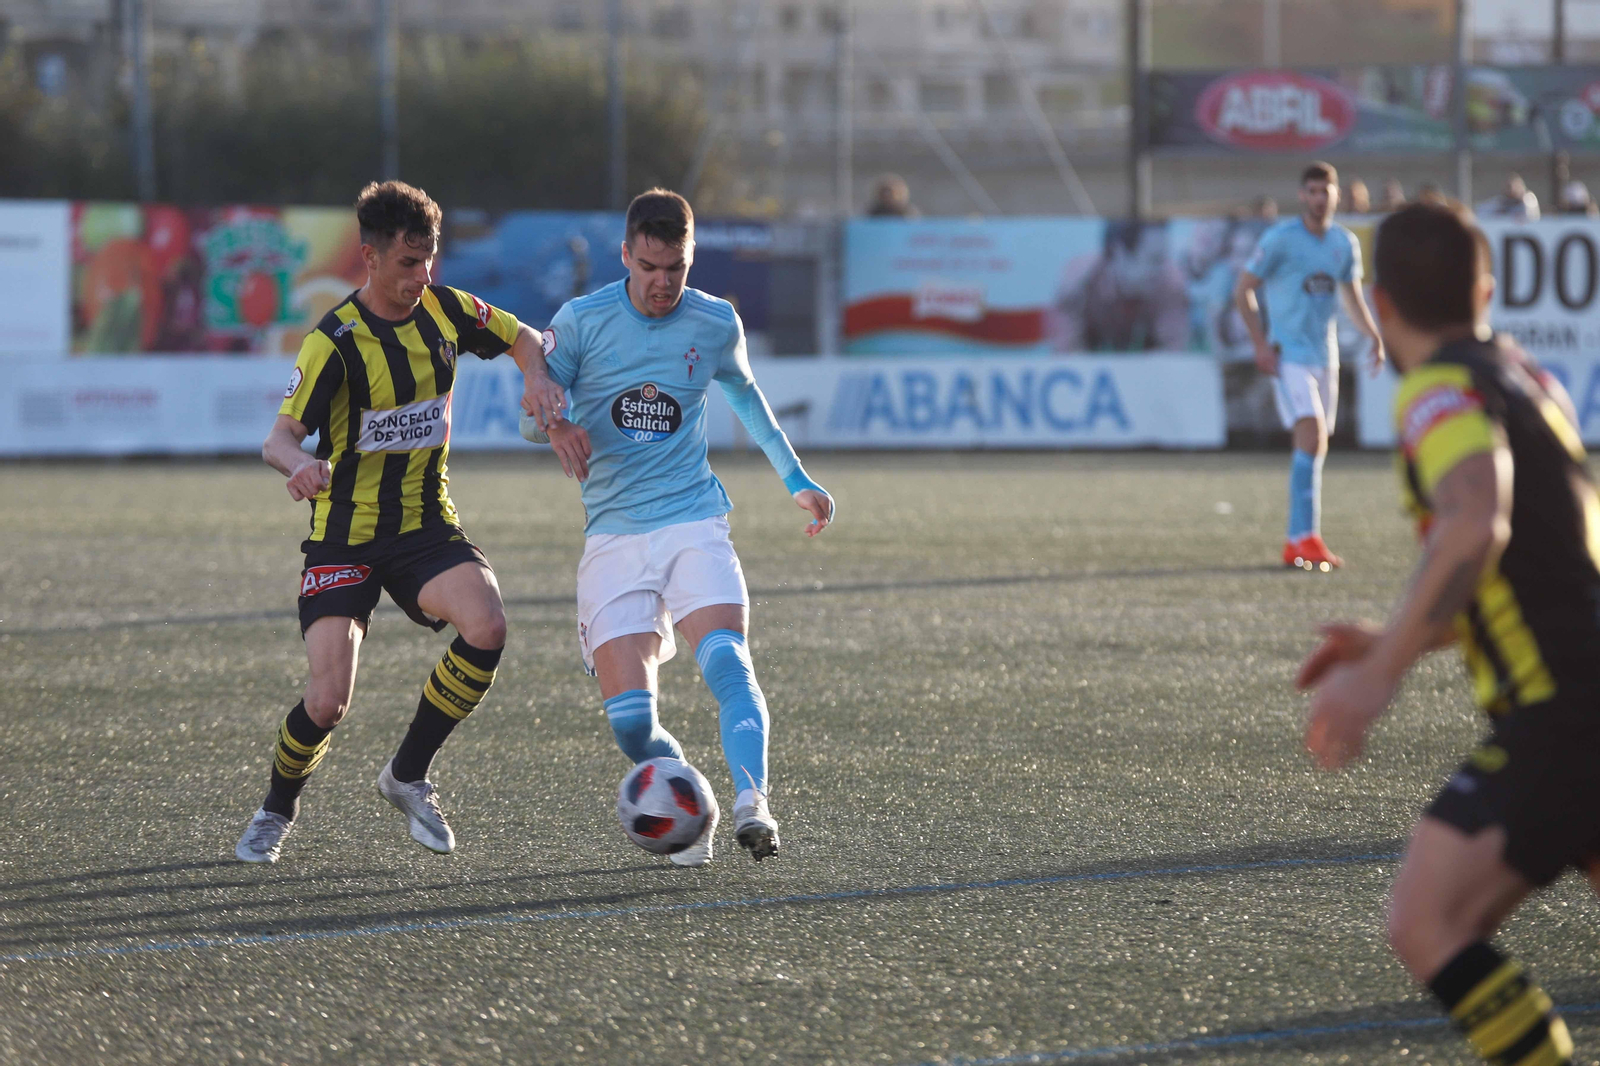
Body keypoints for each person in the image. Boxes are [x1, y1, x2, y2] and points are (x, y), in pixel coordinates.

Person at [1298, 199, 1596, 1066]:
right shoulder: (1526, 376)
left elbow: (1476, 524)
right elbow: (1543, 570)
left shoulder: (1439, 391)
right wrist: (1392, 633)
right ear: (1487, 288)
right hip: (1586, 687)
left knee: (1427, 921)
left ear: (1379, 305)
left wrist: (1379, 672)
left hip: (1564, 710)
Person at [233, 181, 566, 864]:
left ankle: (407, 775)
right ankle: (276, 808)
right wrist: (297, 464)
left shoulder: (446, 311)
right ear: (370, 258)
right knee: (327, 703)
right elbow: (278, 438)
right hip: (345, 534)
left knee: (489, 625)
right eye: (409, 264)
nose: (424, 276)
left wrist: (536, 375)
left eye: (431, 260)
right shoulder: (334, 342)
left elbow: (525, 337)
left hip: (423, 525)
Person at [518, 189, 834, 867]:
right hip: (613, 536)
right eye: (651, 267)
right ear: (626, 255)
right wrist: (556, 420)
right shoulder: (580, 321)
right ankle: (693, 802)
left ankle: (754, 803)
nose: (663, 283)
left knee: (727, 660)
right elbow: (530, 415)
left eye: (677, 269)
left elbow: (747, 398)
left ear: (691, 261)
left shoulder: (715, 323)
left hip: (693, 519)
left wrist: (797, 480)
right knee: (632, 722)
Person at [1234, 162, 1385, 570]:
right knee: (1312, 432)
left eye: (1326, 191)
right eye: (1313, 191)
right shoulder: (1280, 239)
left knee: (1315, 445)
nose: (1320, 199)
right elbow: (1243, 292)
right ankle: (1303, 539)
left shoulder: (1344, 242)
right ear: (1302, 195)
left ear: (1337, 195)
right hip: (1289, 356)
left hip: (1325, 356)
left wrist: (1374, 335)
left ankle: (1299, 540)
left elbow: (1352, 296)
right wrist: (1261, 344)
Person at [1050, 219, 1189, 352]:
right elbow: (1067, 355)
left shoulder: (1172, 283)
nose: (1162, 269)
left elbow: (1172, 356)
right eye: (1154, 259)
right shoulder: (1079, 281)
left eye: (1164, 258)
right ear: (1118, 252)